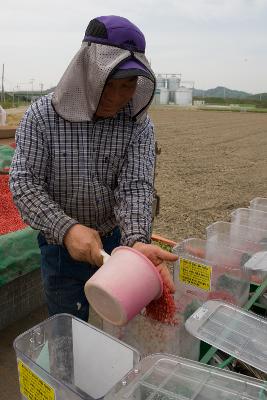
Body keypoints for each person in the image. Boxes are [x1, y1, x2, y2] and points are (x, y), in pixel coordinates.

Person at [10, 15, 177, 322]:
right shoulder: (42, 116)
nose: (116, 97)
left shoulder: (137, 125)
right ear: (84, 73)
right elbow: (25, 182)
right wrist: (67, 229)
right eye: (107, 84)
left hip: (116, 240)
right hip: (59, 245)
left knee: (119, 321)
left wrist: (137, 239)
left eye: (127, 85)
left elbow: (135, 184)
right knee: (68, 324)